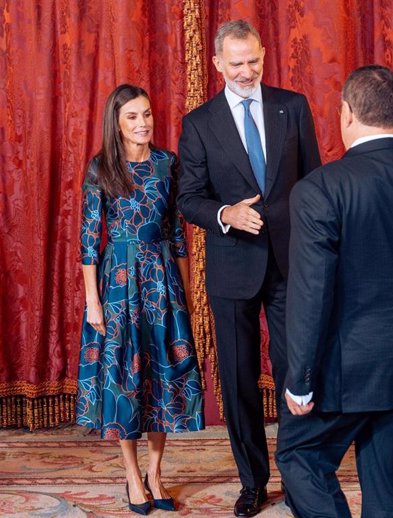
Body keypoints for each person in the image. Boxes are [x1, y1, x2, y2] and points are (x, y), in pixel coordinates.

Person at [275, 65, 393, 518]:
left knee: (299, 457)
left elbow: (310, 292)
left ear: (345, 114)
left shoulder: (319, 188)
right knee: (390, 492)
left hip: (347, 367)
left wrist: (299, 379)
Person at [177, 19, 321, 517]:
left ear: (264, 55)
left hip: (290, 265)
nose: (246, 71)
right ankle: (252, 482)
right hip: (232, 268)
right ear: (217, 64)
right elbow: (188, 199)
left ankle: (301, 478)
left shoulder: (293, 105)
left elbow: (315, 184)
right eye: (235, 63)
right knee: (238, 381)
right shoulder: (198, 122)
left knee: (296, 374)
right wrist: (225, 214)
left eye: (253, 61)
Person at [76, 84, 204, 515]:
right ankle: (131, 476)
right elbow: (90, 241)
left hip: (162, 280)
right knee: (126, 380)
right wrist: (93, 301)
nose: (143, 123)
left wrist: (185, 295)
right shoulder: (101, 169)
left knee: (161, 376)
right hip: (117, 285)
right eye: (132, 116)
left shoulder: (168, 164)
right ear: (117, 121)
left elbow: (177, 235)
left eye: (147, 114)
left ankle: (155, 471)